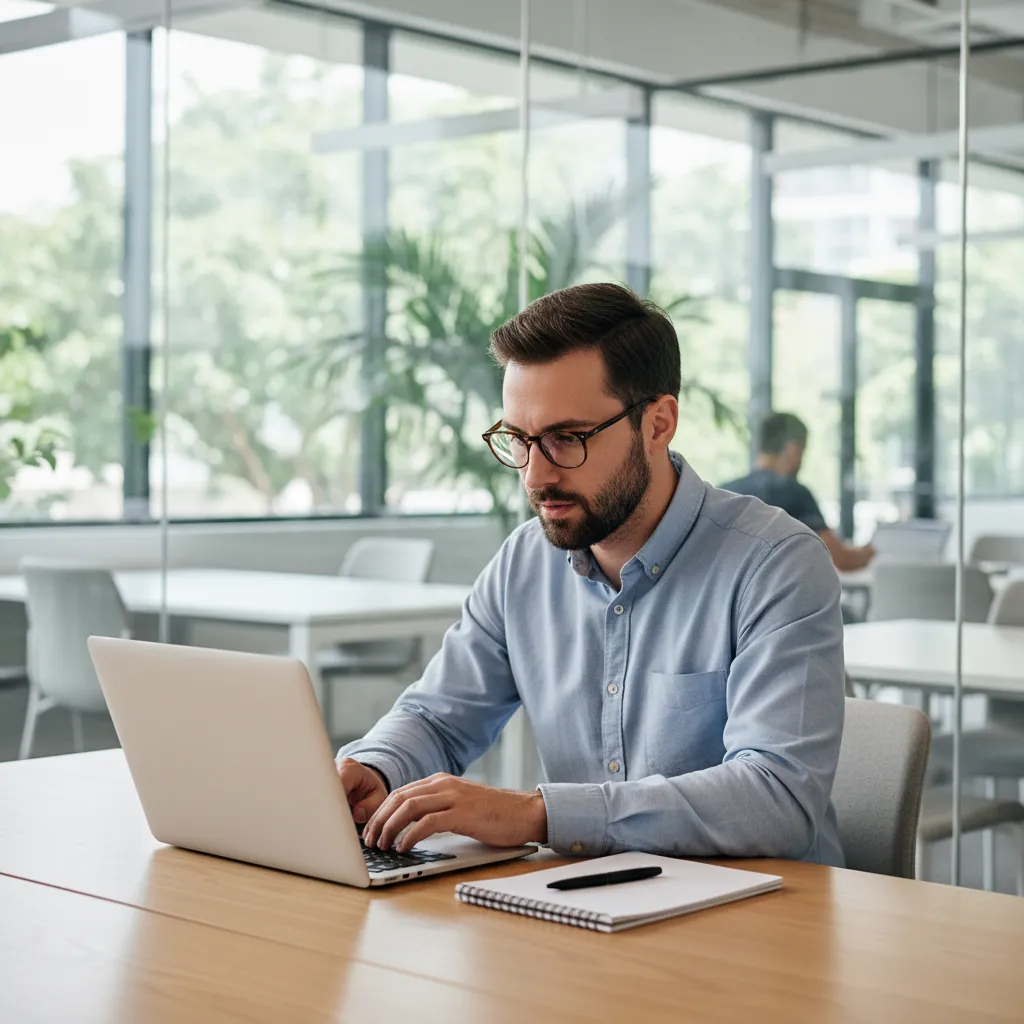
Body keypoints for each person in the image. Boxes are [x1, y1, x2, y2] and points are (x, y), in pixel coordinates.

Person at [337, 283, 845, 867]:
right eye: (520, 441)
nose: (534, 476)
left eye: (565, 438)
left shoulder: (776, 564)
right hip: (589, 905)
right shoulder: (524, 563)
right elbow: (437, 719)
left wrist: (537, 815)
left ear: (658, 425)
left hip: (763, 920)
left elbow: (777, 798)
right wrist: (375, 765)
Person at [722, 412, 875, 573]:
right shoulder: (794, 493)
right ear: (792, 450)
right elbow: (841, 559)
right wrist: (871, 551)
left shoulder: (725, 491)